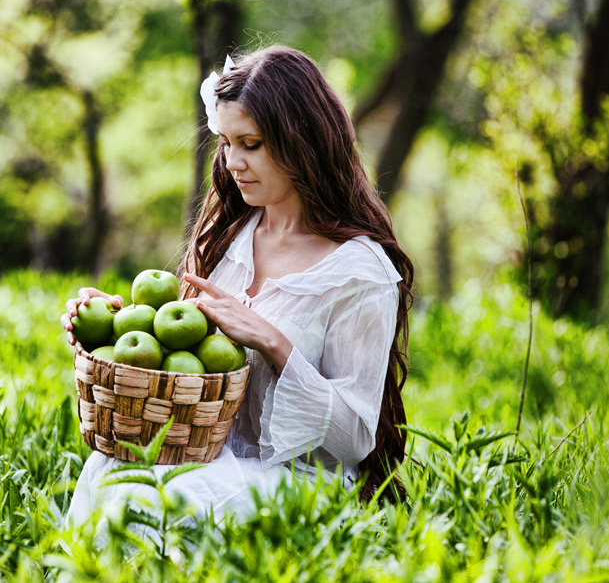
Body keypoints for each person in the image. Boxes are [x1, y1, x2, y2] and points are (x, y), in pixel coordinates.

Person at [61, 45, 415, 530]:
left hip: (303, 484)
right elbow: (191, 365)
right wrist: (115, 331)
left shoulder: (358, 271)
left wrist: (272, 341)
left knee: (166, 499)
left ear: (302, 141)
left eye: (251, 144)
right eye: (225, 143)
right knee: (114, 471)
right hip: (209, 458)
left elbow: (355, 436)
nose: (231, 162)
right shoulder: (231, 237)